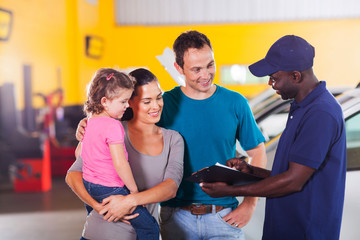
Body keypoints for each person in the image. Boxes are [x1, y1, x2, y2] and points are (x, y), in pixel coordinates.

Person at [200, 35, 347, 240]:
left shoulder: (320, 113)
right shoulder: (302, 107)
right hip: (289, 226)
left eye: (274, 77)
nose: (270, 83)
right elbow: (292, 173)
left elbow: (293, 181)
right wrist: (251, 171)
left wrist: (232, 189)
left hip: (305, 231)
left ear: (295, 76)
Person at [157, 30, 267, 240]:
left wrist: (250, 204)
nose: (206, 75)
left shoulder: (236, 102)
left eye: (210, 65)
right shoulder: (164, 104)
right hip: (176, 217)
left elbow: (258, 152)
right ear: (178, 68)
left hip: (223, 216)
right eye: (196, 69)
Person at [66, 68, 184, 240]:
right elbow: (73, 175)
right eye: (147, 101)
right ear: (131, 102)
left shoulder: (173, 139)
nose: (156, 105)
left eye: (159, 97)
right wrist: (97, 207)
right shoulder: (113, 130)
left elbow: (170, 188)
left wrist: (129, 200)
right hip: (96, 233)